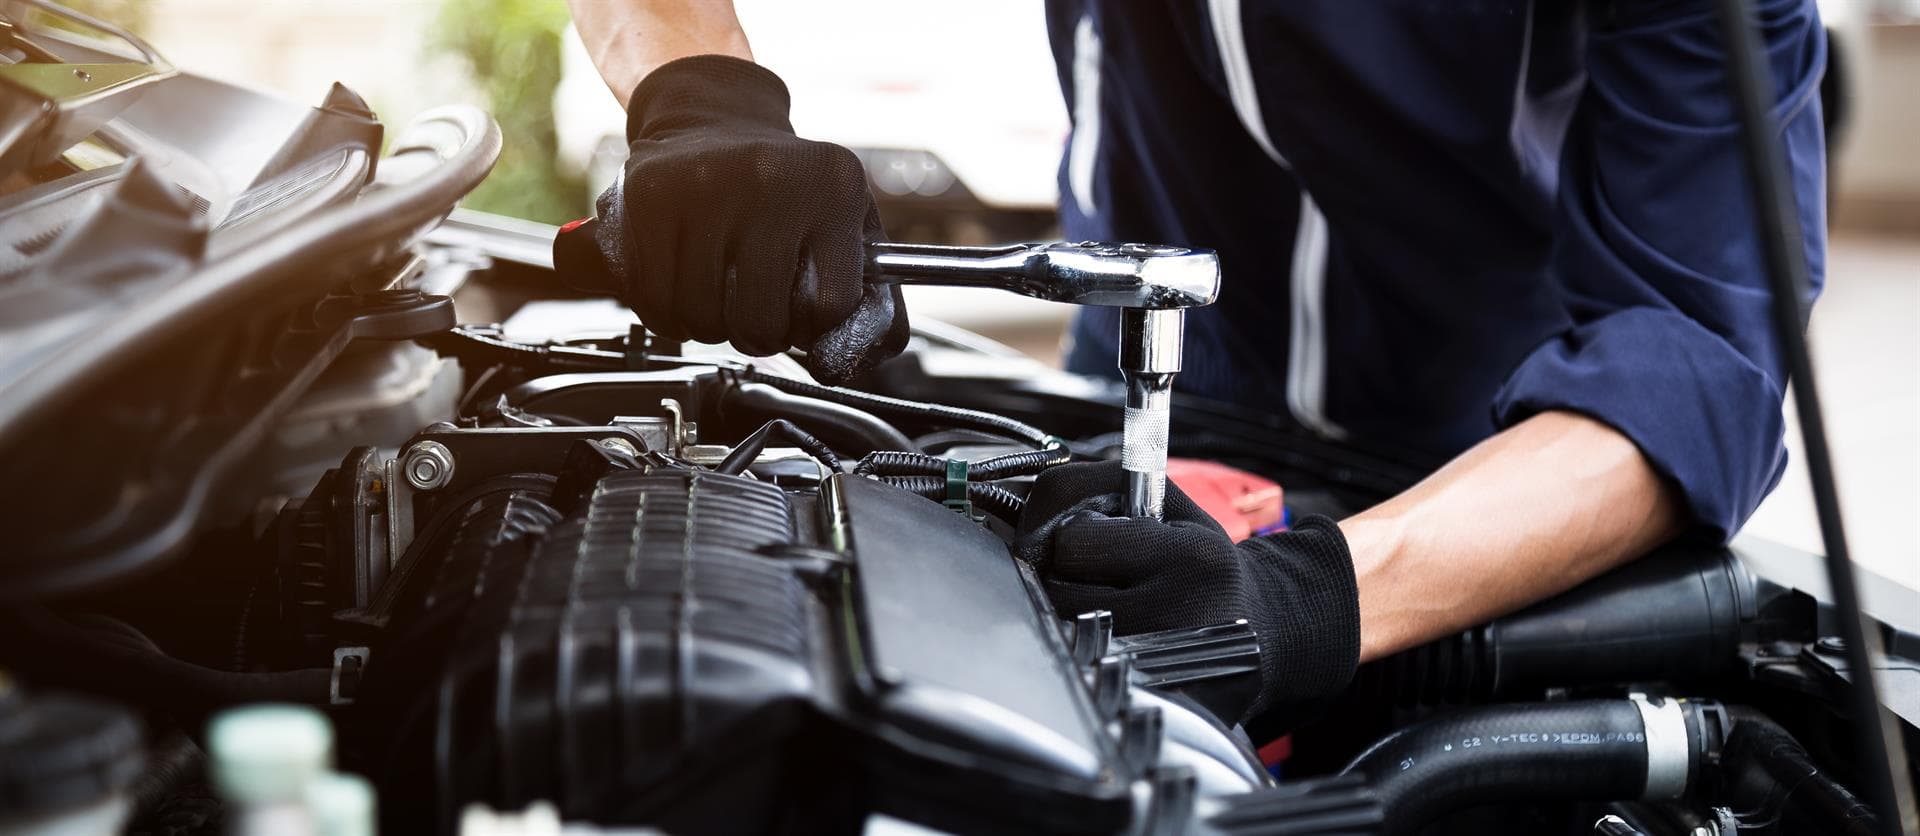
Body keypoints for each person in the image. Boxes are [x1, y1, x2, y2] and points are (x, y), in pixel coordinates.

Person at [562, 0, 1827, 721]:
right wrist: (700, 91)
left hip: (1490, 492)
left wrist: (1312, 597)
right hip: (1141, 411)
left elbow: (1700, 346)